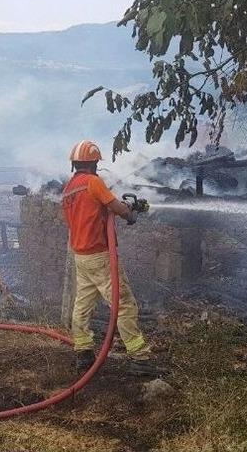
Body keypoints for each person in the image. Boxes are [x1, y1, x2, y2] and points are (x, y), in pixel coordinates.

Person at [61, 141, 159, 376]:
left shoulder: (69, 188)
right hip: (99, 256)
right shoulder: (93, 182)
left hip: (81, 256)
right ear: (94, 162)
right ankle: (139, 358)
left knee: (82, 304)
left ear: (74, 163)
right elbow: (119, 209)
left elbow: (93, 211)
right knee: (123, 303)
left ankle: (83, 352)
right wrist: (131, 212)